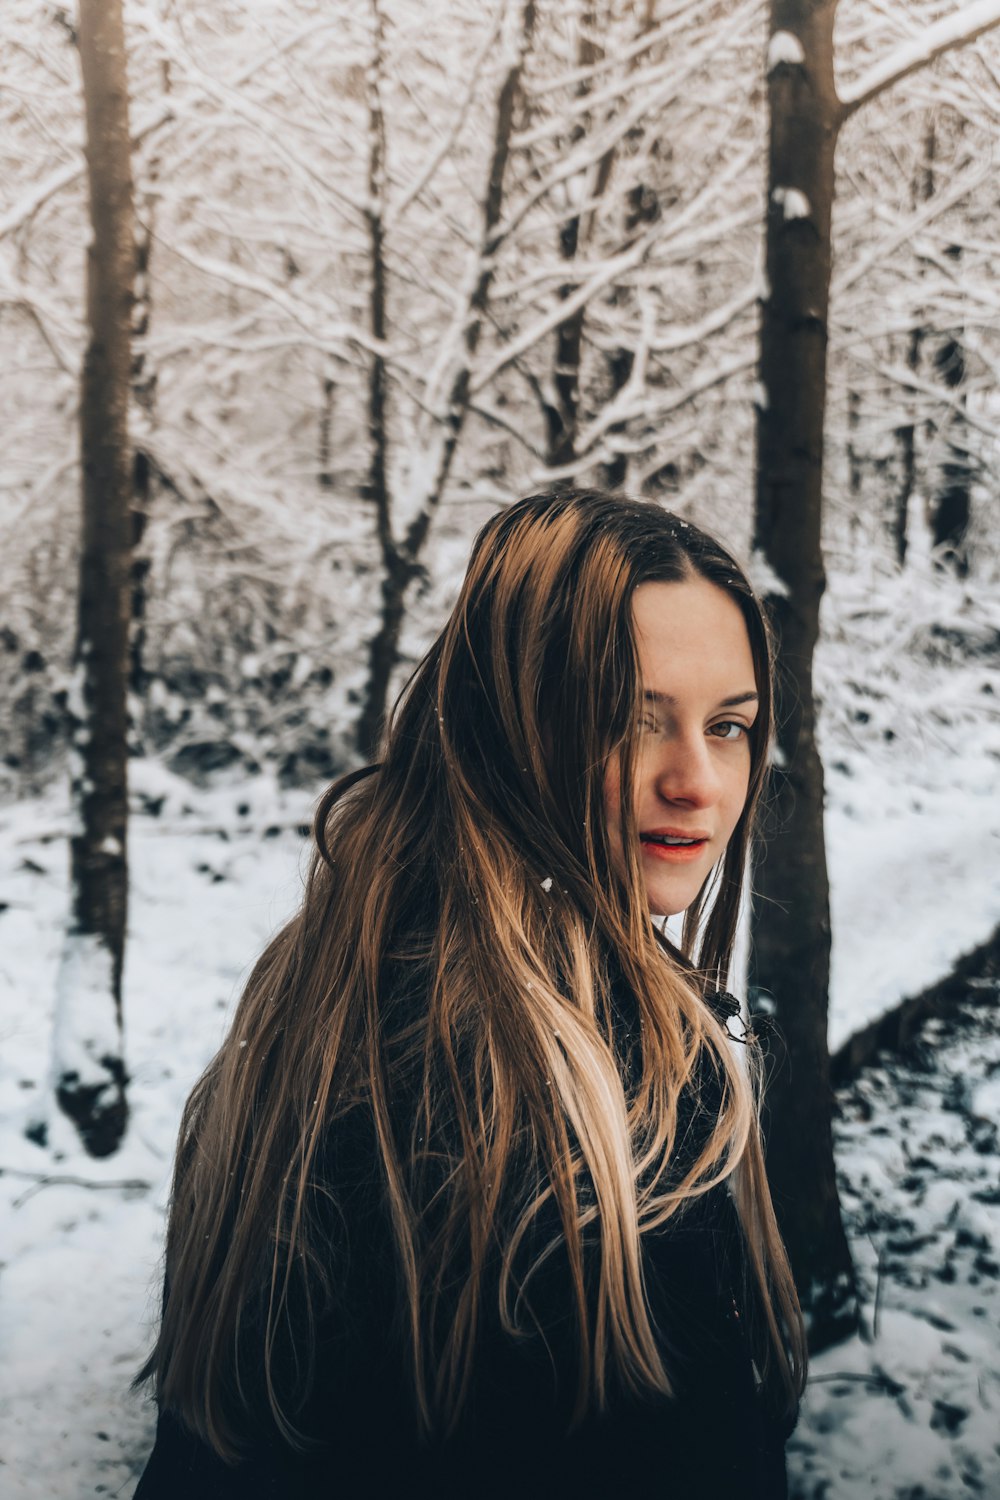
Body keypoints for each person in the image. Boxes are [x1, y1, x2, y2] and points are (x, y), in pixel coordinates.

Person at [134, 490, 806, 1498]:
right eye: (630, 718)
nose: (697, 782)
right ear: (507, 727)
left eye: (728, 727)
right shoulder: (596, 1093)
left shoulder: (329, 983)